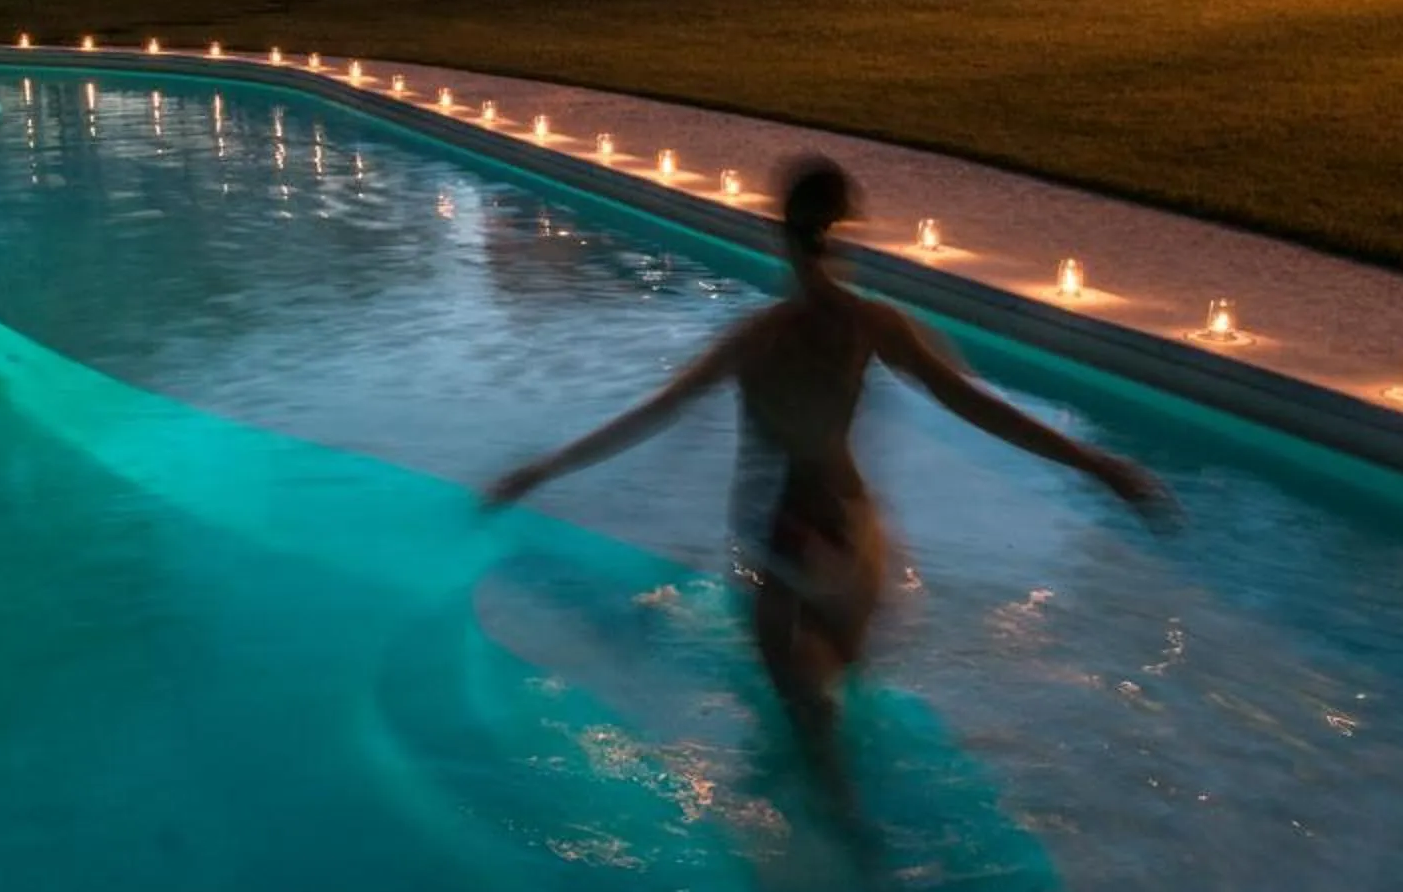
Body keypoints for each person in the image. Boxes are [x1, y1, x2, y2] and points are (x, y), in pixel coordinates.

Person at [485, 159, 1174, 825]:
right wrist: (1094, 463)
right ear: (848, 232)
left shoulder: (755, 338)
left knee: (810, 738)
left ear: (779, 237)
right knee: (848, 707)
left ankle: (856, 868)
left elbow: (651, 414)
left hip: (779, 543)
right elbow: (977, 407)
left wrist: (542, 469)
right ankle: (869, 848)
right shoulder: (872, 326)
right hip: (852, 541)